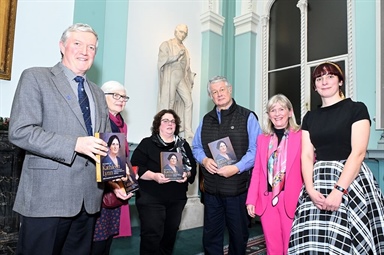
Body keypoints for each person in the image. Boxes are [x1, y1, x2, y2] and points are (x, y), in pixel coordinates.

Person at [8, 23, 114, 255]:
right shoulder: (36, 77)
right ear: (62, 46)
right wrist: (75, 144)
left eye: (91, 47)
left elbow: (105, 143)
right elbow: (20, 131)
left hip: (88, 200)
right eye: (77, 44)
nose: (84, 51)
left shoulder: (97, 92)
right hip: (47, 199)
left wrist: (117, 182)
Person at [288, 62, 384, 254]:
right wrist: (310, 189)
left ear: (340, 81)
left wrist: (339, 190)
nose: (324, 82)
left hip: (349, 180)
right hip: (318, 183)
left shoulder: (356, 109)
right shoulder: (310, 117)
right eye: (319, 78)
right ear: (314, 86)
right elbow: (306, 155)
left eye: (330, 76)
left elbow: (357, 153)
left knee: (349, 242)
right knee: (313, 241)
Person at [192, 76, 262, 255]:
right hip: (212, 190)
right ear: (211, 96)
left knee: (238, 236)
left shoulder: (247, 116)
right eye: (214, 92)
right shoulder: (205, 120)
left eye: (222, 90)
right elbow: (196, 147)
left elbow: (256, 150)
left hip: (237, 190)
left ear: (229, 90)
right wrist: (204, 160)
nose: (219, 94)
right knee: (210, 236)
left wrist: (237, 167)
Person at [131, 109, 197, 255]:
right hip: (151, 197)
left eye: (173, 121)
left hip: (177, 198)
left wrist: (186, 174)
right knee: (152, 236)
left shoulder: (183, 145)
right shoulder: (147, 143)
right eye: (165, 121)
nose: (170, 124)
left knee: (170, 234)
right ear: (158, 125)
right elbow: (135, 167)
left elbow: (192, 167)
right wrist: (154, 176)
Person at [246, 94, 303, 255]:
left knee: (291, 246)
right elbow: (257, 171)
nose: (277, 114)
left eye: (281, 109)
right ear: (269, 115)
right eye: (273, 110)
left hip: (292, 198)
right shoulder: (262, 139)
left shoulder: (301, 136)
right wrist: (251, 199)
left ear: (290, 112)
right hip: (267, 200)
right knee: (273, 247)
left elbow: (307, 167)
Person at [92, 81, 133, 255]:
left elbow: (122, 157)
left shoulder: (122, 124)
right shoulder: (97, 119)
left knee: (108, 236)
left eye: (124, 97)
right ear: (103, 97)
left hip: (115, 187)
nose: (121, 100)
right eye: (116, 95)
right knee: (95, 239)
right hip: (98, 189)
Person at [157, 24, 195, 141]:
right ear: (175, 32)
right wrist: (176, 56)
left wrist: (191, 76)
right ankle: (165, 129)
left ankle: (188, 131)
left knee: (189, 102)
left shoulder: (186, 50)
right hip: (171, 75)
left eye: (185, 33)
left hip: (181, 78)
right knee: (170, 103)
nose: (182, 35)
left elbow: (186, 68)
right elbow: (162, 60)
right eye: (181, 32)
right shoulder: (167, 44)